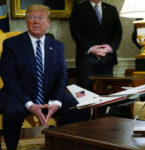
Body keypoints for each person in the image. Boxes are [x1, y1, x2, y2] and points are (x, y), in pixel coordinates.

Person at [0, 4, 89, 150]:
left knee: (78, 105)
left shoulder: (57, 45)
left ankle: (62, 143)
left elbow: (62, 77)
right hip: (18, 96)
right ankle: (11, 147)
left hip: (48, 96)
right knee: (13, 111)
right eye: (32, 17)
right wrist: (30, 104)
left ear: (48, 23)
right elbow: (10, 79)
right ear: (26, 21)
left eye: (41, 17)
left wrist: (56, 102)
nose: (36, 21)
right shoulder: (12, 44)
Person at [69, 0, 122, 91]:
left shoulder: (111, 9)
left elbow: (118, 32)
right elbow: (76, 33)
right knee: (85, 95)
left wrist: (110, 48)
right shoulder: (78, 8)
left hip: (107, 59)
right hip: (87, 61)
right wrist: (91, 49)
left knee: (107, 93)